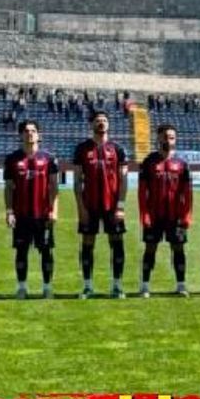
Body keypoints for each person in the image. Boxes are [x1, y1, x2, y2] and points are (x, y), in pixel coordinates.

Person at [72, 110, 129, 298]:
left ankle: (117, 286)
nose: (101, 123)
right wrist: (81, 208)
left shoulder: (118, 149)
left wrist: (120, 206)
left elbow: (123, 180)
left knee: (117, 242)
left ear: (109, 124)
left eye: (104, 120)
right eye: (98, 120)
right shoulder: (82, 149)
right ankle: (87, 286)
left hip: (112, 206)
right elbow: (77, 181)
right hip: (90, 205)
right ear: (92, 124)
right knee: (88, 243)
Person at [3, 120, 59, 299]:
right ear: (20, 135)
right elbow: (8, 188)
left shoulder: (49, 158)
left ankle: (47, 287)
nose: (30, 133)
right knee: (21, 251)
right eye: (26, 131)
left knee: (46, 251)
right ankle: (22, 287)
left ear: (38, 134)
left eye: (33, 130)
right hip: (21, 215)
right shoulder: (12, 159)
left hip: (43, 215)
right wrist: (9, 211)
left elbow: (54, 187)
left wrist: (54, 210)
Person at [138, 123, 193, 297]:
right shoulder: (148, 162)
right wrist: (144, 214)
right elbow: (142, 192)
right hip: (154, 215)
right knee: (150, 248)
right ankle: (145, 286)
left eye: (171, 137)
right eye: (165, 137)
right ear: (158, 138)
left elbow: (188, 193)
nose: (168, 140)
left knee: (178, 249)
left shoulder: (182, 164)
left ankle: (181, 285)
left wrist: (186, 215)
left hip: (175, 216)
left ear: (175, 140)